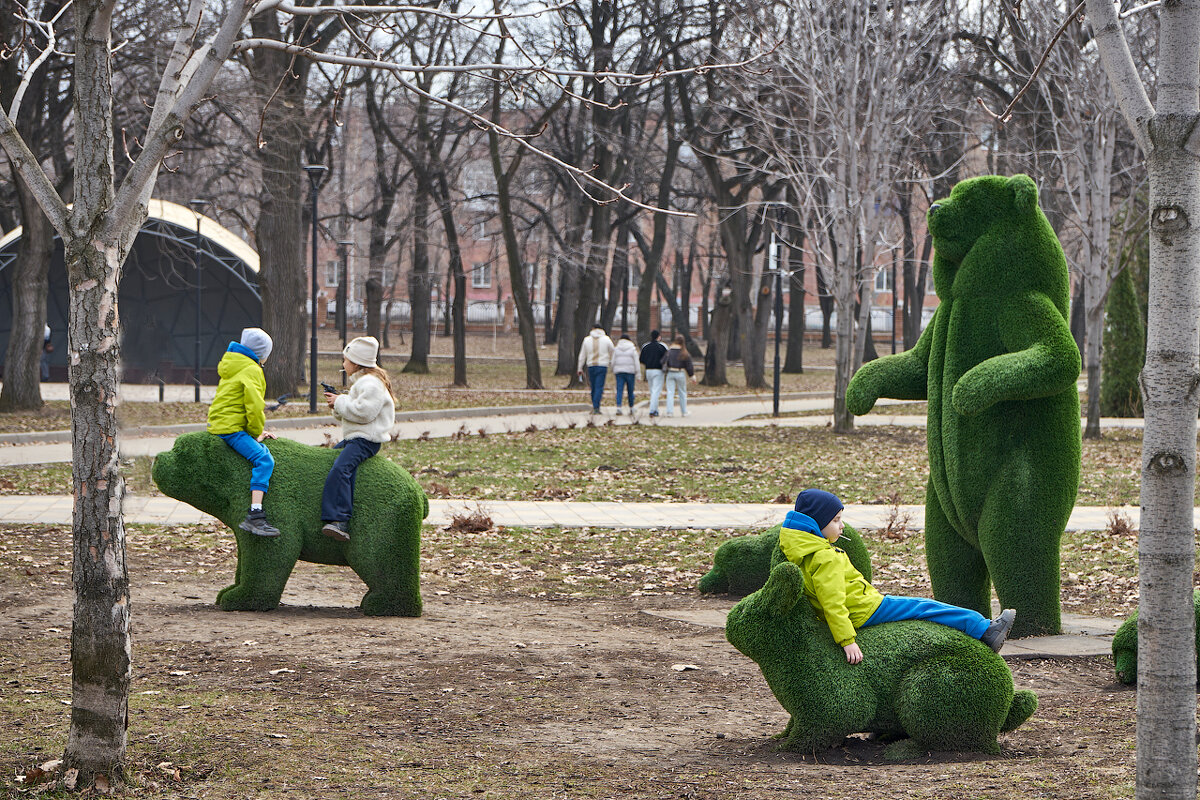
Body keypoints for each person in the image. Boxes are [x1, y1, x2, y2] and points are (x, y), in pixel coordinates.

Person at [781, 489, 1016, 663]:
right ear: (816, 524)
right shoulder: (825, 557)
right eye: (835, 520)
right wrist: (847, 641)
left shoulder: (803, 550)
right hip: (863, 610)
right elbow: (832, 602)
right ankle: (984, 629)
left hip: (861, 604)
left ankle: (981, 627)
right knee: (924, 607)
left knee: (919, 606)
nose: (842, 526)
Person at [320, 336, 396, 542]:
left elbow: (363, 413)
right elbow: (352, 413)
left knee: (341, 469)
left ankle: (340, 520)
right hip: (356, 438)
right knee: (330, 460)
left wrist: (340, 401)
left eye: (345, 360)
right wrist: (337, 404)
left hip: (365, 441)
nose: (343, 364)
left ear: (356, 362)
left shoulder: (371, 384)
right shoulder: (363, 383)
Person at [207, 327, 280, 538]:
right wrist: (256, 433)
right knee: (264, 460)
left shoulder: (232, 364)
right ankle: (255, 515)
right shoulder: (253, 370)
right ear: (262, 354)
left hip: (220, 423)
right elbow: (254, 407)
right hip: (232, 429)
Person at [576, 325, 615, 414]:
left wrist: (579, 368)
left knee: (593, 387)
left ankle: (594, 405)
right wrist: (612, 363)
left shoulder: (587, 340)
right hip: (602, 366)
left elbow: (582, 355)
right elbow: (613, 351)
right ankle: (596, 407)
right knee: (599, 387)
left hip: (591, 366)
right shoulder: (606, 339)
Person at [663, 335, 695, 417]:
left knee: (670, 392)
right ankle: (684, 411)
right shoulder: (684, 352)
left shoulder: (669, 351)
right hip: (680, 373)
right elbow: (689, 366)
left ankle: (669, 412)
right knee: (682, 393)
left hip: (670, 373)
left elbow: (662, 361)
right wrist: (692, 376)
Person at [639, 329, 668, 417]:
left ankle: (655, 409)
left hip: (648, 370)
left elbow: (641, 359)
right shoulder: (662, 346)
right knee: (656, 391)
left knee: (652, 390)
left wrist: (648, 362)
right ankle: (652, 410)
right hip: (658, 370)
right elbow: (666, 358)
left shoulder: (645, 346)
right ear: (658, 337)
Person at [611, 334, 639, 415]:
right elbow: (636, 362)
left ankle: (619, 407)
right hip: (630, 372)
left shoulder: (616, 349)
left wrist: (613, 369)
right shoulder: (632, 349)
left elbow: (613, 361)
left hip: (619, 372)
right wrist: (638, 373)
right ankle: (631, 407)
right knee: (630, 390)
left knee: (619, 390)